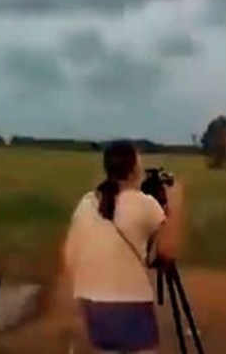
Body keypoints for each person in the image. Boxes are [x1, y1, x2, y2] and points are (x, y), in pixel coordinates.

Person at [62, 140, 185, 353]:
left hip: (91, 302)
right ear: (132, 171)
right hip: (129, 304)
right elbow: (167, 251)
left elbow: (68, 254)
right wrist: (175, 204)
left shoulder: (88, 201)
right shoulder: (144, 204)